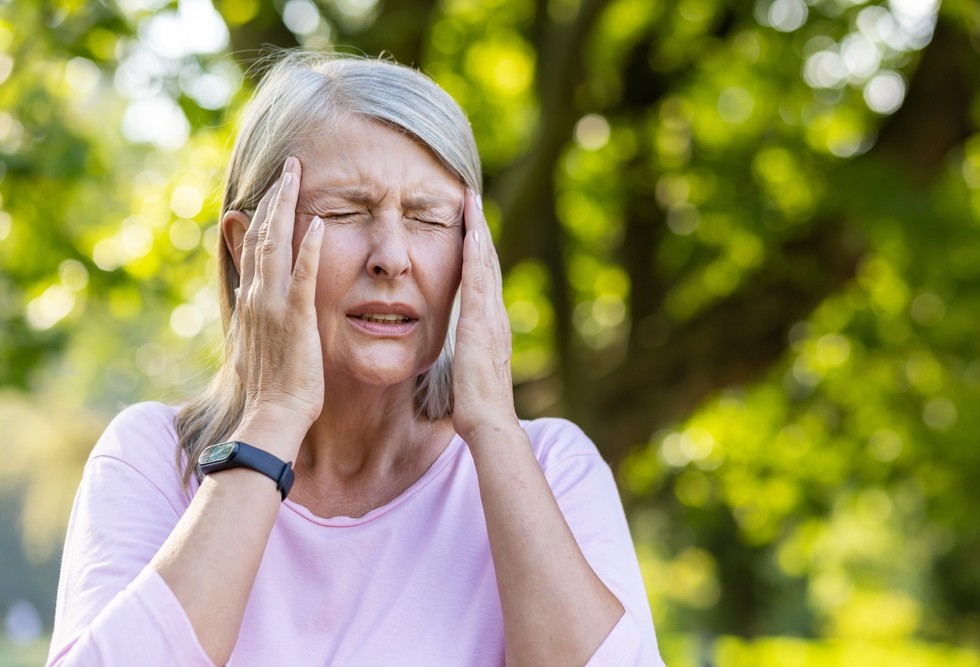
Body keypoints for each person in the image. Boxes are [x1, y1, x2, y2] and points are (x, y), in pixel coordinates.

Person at [46, 51, 664, 666]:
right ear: (246, 245)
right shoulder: (155, 460)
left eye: (428, 218)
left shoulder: (554, 467)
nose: (391, 258)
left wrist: (495, 429)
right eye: (346, 213)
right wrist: (275, 415)